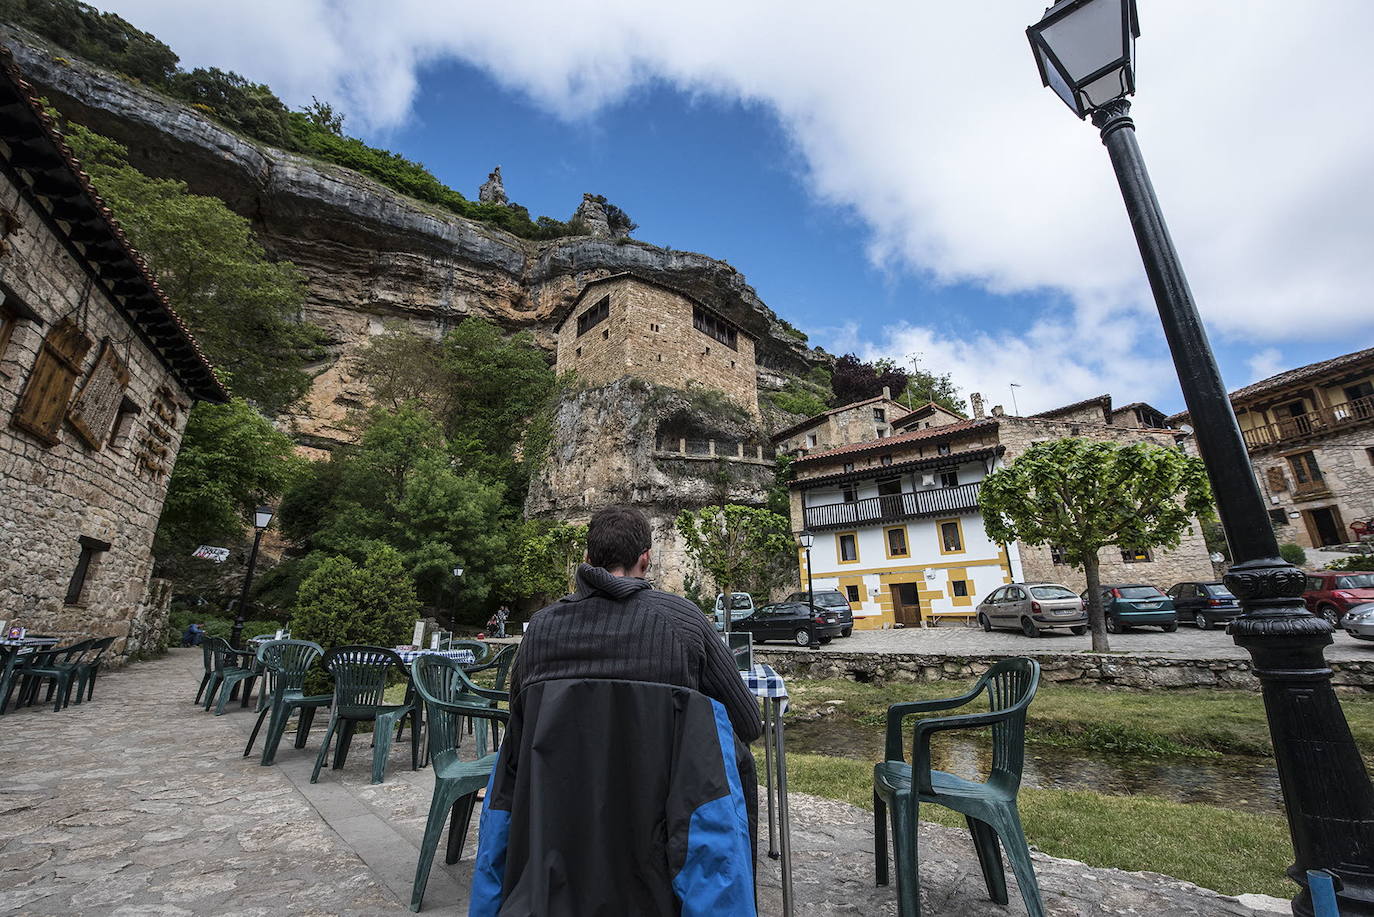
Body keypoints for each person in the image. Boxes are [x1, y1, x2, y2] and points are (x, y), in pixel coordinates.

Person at [471, 506, 762, 916]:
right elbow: (748, 722)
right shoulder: (685, 623)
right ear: (646, 558)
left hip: (555, 860)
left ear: (587, 559)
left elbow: (521, 733)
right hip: (661, 864)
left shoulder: (540, 629)